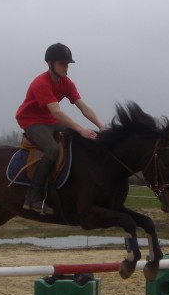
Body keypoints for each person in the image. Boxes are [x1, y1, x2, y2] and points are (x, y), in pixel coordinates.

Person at [15, 43, 105, 214]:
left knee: (79, 138)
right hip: (31, 120)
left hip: (49, 120)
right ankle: (32, 197)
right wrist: (80, 129)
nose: (66, 67)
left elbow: (83, 107)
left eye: (68, 64)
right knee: (52, 149)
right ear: (50, 63)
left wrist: (101, 126)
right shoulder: (41, 83)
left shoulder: (66, 82)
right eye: (62, 63)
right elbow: (56, 112)